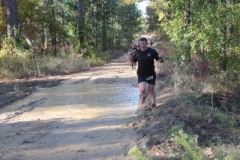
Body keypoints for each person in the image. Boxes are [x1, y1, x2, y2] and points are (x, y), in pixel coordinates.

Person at [127, 37, 164, 109]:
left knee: (151, 89)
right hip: (141, 74)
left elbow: (160, 61)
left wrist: (161, 57)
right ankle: (143, 97)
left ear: (146, 44)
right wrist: (130, 58)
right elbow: (134, 62)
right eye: (141, 44)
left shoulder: (152, 51)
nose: (142, 45)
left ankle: (153, 103)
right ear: (139, 44)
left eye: (144, 43)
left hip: (150, 74)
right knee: (142, 89)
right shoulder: (137, 52)